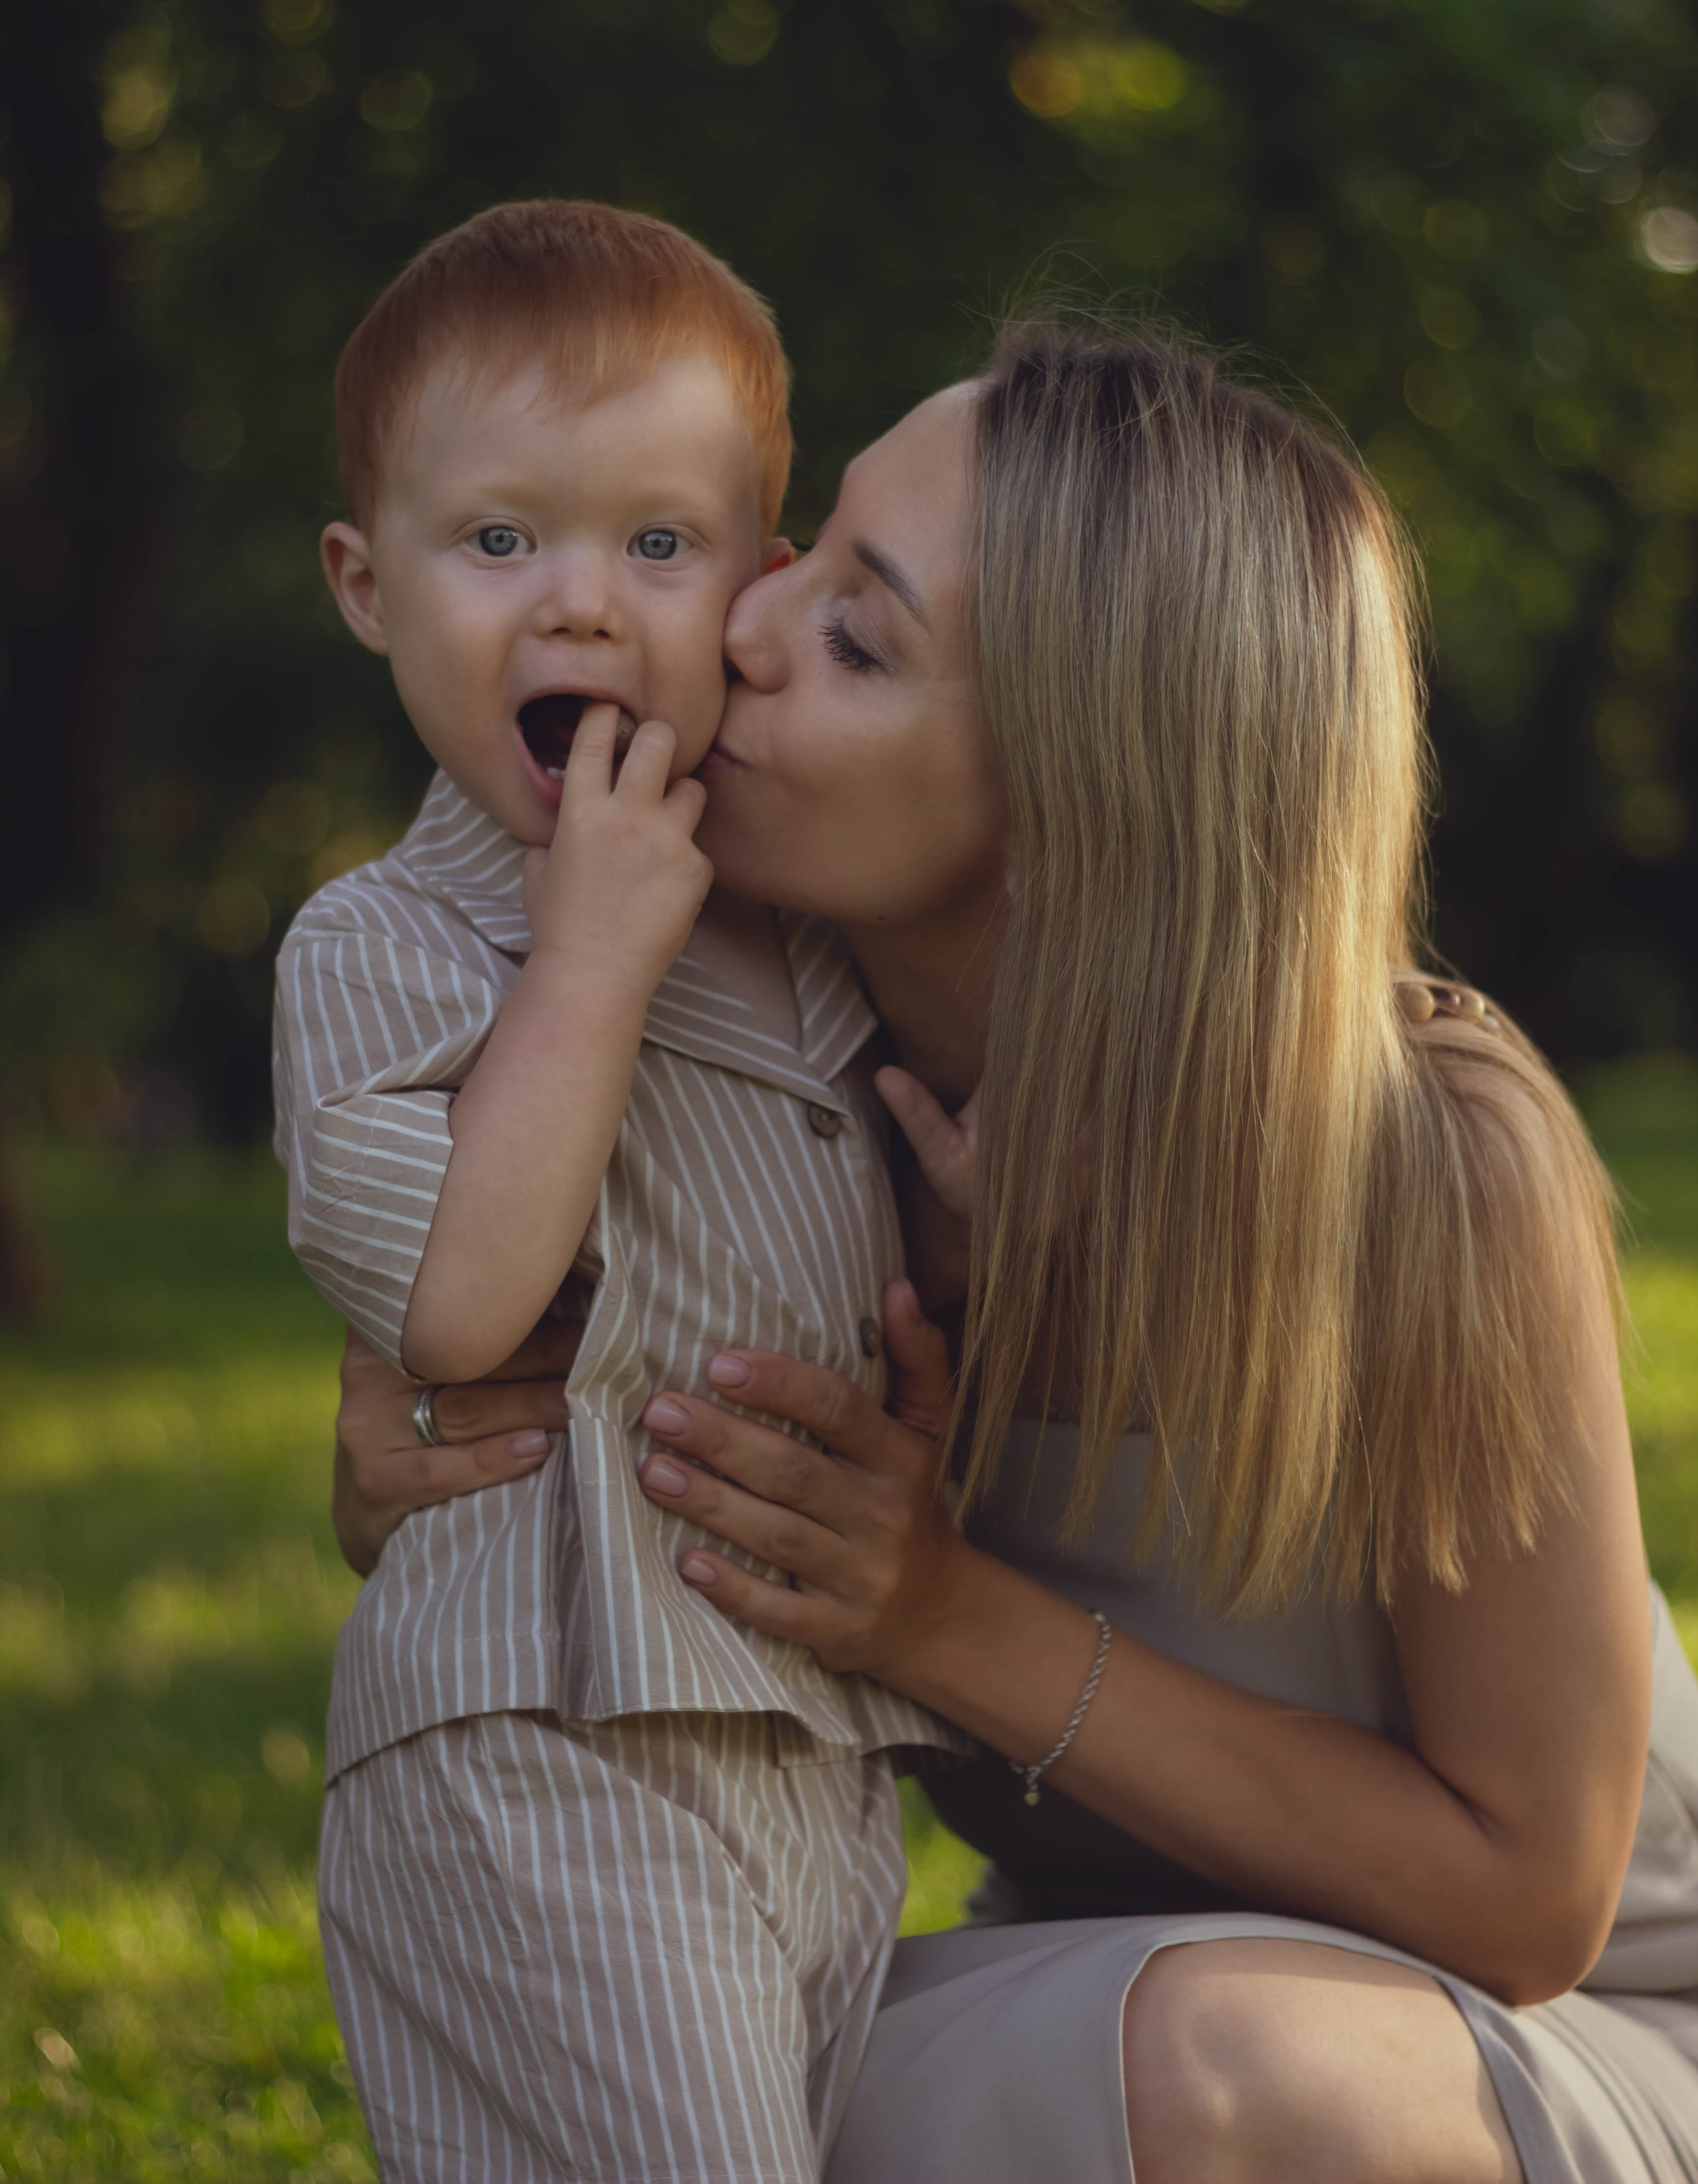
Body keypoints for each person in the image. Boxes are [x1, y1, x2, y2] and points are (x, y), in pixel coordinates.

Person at [336, 322, 1698, 2183]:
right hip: (1091, 1981)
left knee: (1213, 2076)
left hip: (1541, 2034)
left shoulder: (1428, 1163)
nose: (746, 618)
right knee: (673, 2069)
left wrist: (943, 1615)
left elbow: (1530, 1898)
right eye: (805, 547)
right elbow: (518, 1455)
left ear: (1081, 803)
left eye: (858, 637)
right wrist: (433, 1454)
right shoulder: (705, 1079)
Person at [273, 199, 960, 2184]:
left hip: (800, 1756)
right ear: (366, 585)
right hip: (539, 1735)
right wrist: (581, 969)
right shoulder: (384, 943)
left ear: (751, 579)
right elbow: (462, 1304)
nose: (578, 605)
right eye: (500, 541)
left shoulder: (808, 936)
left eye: (654, 545)